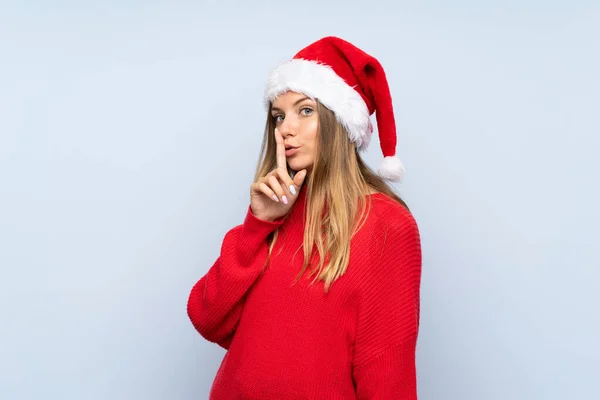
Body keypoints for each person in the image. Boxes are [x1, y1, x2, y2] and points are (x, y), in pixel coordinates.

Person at [187, 36, 422, 399]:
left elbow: (387, 372)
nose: (285, 128)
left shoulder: (387, 225)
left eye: (305, 110)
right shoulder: (278, 208)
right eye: (279, 116)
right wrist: (257, 226)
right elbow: (207, 316)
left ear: (339, 119)